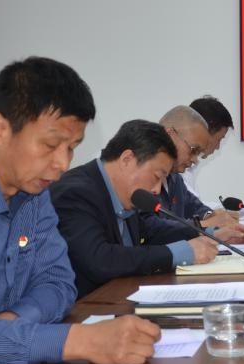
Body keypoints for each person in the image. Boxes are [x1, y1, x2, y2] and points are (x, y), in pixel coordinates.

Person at [0, 58, 158, 364]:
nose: (63, 164)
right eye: (51, 145)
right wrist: (81, 341)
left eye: (72, 147)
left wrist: (11, 322)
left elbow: (59, 283)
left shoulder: (33, 191)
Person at [51, 120, 218, 297]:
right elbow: (100, 259)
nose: (157, 190)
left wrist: (207, 233)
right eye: (157, 177)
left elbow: (152, 231)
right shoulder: (75, 193)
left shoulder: (125, 194)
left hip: (123, 298)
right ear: (127, 159)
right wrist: (177, 254)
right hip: (88, 307)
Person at [155, 105, 244, 244]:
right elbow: (155, 232)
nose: (195, 160)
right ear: (170, 134)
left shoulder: (175, 178)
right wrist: (205, 224)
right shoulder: (142, 179)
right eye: (193, 150)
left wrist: (212, 216)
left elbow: (195, 207)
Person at [184, 95, 244, 216]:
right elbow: (194, 212)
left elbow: (197, 208)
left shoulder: (189, 166)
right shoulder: (177, 167)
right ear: (203, 132)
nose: (218, 147)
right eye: (219, 139)